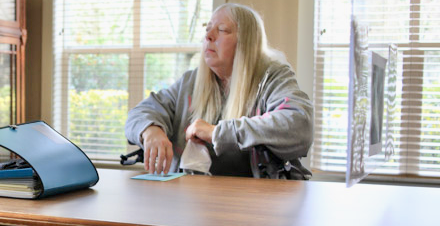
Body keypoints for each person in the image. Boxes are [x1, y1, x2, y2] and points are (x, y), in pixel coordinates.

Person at [124, 3, 313, 177]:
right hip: (193, 199)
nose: (208, 36)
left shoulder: (272, 78)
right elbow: (139, 114)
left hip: (259, 202)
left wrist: (217, 132)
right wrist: (150, 130)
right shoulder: (190, 81)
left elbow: (298, 125)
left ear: (246, 43)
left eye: (221, 30)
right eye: (207, 29)